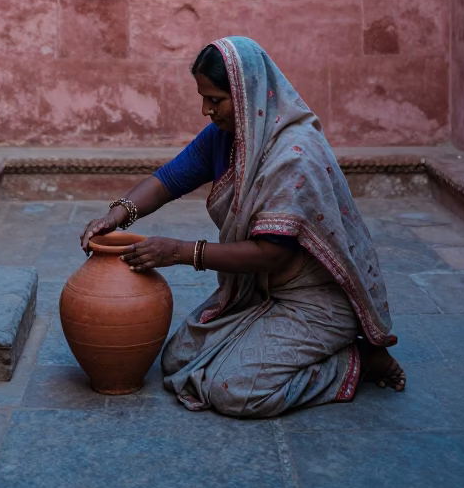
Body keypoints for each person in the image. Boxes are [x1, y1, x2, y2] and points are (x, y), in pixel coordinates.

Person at [79, 36, 404, 418]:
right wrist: (117, 215)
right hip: (258, 290)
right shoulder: (226, 137)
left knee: (235, 391)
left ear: (247, 94)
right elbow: (169, 179)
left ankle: (357, 361)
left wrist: (180, 252)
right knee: (178, 359)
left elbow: (272, 253)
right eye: (203, 98)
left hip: (315, 301)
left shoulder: (294, 154)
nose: (206, 110)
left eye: (215, 100)